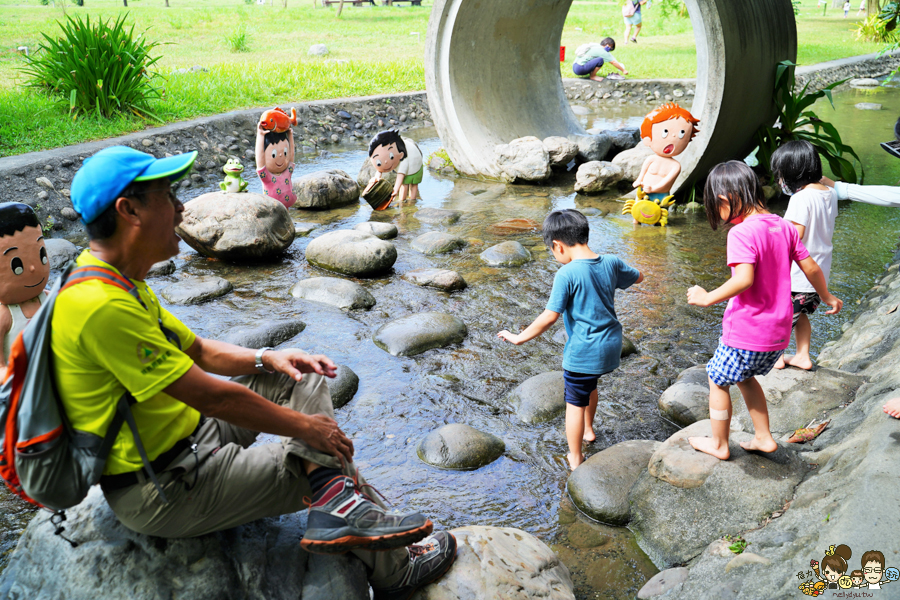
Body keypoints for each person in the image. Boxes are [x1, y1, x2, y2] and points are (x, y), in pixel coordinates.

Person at [64, 146, 456, 599]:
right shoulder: (100, 307)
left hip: (187, 443)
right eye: (168, 196)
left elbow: (200, 351)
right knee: (319, 460)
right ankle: (393, 568)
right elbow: (212, 397)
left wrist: (268, 359)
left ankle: (336, 499)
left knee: (299, 373)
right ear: (129, 211)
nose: (181, 207)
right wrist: (307, 427)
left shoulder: (114, 280)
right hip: (164, 486)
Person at [686, 161, 842, 460]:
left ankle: (719, 444)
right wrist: (827, 296)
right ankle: (763, 437)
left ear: (725, 199)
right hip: (779, 331)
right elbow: (810, 266)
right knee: (744, 377)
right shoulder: (782, 225)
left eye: (715, 208)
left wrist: (707, 297)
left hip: (747, 330)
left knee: (716, 378)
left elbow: (744, 279)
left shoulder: (741, 233)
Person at [497, 209, 643, 470]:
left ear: (557, 245)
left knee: (574, 403)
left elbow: (549, 317)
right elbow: (638, 277)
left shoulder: (567, 274)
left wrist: (519, 337)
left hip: (583, 351)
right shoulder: (611, 262)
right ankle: (589, 430)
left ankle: (575, 457)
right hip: (610, 347)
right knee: (591, 385)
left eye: (552, 250)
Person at [770, 140, 838, 372]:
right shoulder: (829, 193)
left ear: (791, 172)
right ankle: (802, 355)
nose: (780, 180)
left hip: (798, 274)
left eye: (781, 173)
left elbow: (793, 239)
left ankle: (775, 357)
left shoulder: (800, 199)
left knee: (782, 317)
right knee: (800, 316)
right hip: (819, 273)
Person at [0, 203, 50, 379]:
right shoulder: (5, 315)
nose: (32, 268)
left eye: (41, 254)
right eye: (17, 266)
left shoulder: (48, 298)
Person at [366, 130, 423, 206]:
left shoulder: (403, 160)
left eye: (391, 157)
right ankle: (402, 202)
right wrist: (375, 180)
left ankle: (411, 202)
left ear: (401, 154)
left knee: (411, 184)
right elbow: (380, 170)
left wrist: (395, 190)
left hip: (415, 165)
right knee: (404, 184)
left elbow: (400, 176)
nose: (386, 163)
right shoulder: (389, 154)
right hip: (410, 160)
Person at [255, 122, 297, 208]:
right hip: (273, 209)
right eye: (273, 155)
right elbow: (260, 159)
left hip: (287, 206)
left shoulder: (287, 171)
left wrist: (290, 135)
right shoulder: (266, 176)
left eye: (285, 153)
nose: (281, 156)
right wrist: (260, 135)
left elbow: (291, 154)